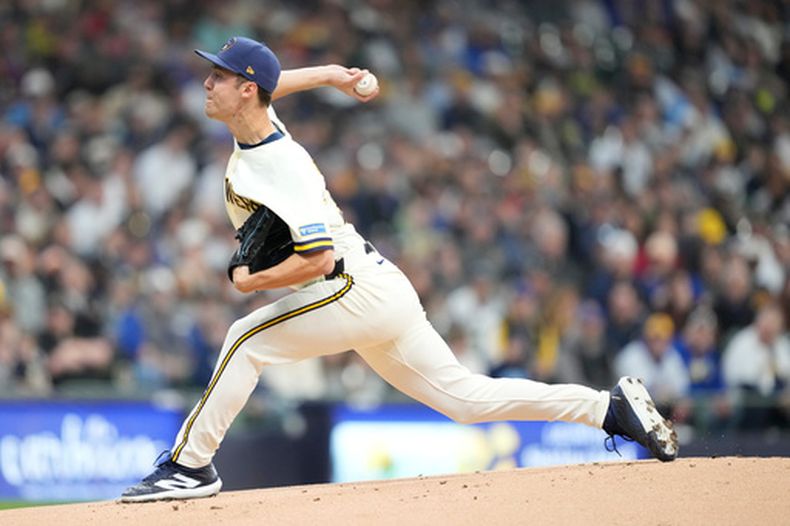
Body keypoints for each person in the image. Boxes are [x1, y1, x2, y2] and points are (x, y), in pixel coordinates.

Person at [120, 36, 678, 502]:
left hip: (349, 286)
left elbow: (319, 258)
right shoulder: (262, 124)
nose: (206, 83)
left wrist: (252, 281)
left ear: (244, 92)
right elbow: (272, 84)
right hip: (380, 287)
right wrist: (334, 74)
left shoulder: (276, 164)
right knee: (465, 400)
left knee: (246, 338)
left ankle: (191, 466)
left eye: (217, 76)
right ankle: (608, 409)